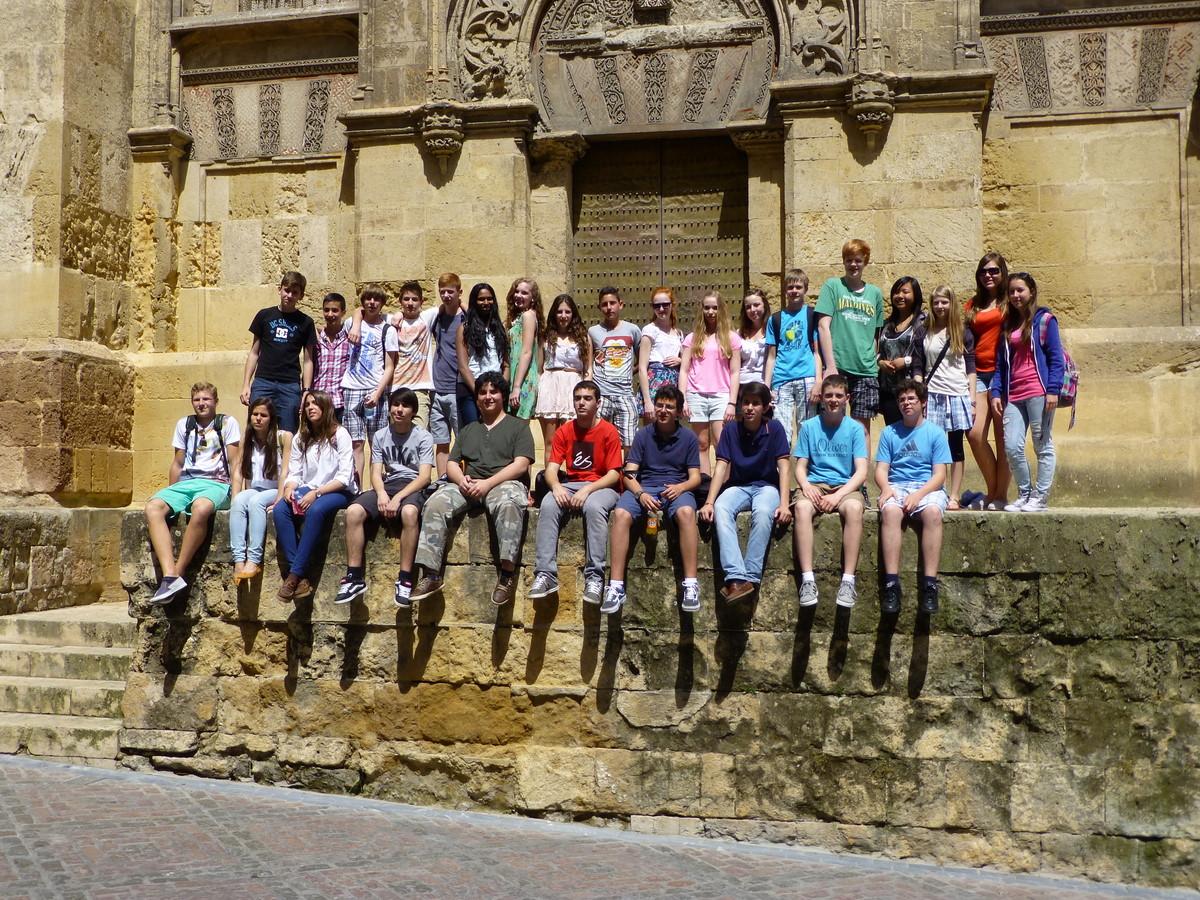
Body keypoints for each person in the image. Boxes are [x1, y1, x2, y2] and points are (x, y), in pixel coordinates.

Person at [410, 372, 534, 606]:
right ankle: (431, 575)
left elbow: (521, 464)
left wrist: (488, 483)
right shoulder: (468, 430)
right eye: (483, 392)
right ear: (477, 399)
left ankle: (507, 575)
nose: (488, 397)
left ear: (503, 396)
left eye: (493, 392)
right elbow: (452, 463)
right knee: (435, 503)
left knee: (510, 503)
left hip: (502, 483)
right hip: (468, 484)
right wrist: (461, 481)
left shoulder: (518, 427)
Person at [602, 385, 702, 615]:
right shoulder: (643, 434)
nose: (663, 410)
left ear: (678, 411)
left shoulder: (688, 437)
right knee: (621, 514)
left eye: (669, 407)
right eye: (659, 405)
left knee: (687, 513)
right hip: (645, 487)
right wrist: (641, 494)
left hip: (677, 488)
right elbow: (629, 474)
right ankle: (615, 586)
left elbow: (696, 477)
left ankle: (690, 585)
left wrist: (681, 487)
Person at [335, 389, 435, 607]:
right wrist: (380, 493)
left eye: (405, 406)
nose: (399, 410)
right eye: (395, 405)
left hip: (412, 486)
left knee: (409, 512)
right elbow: (375, 472)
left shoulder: (424, 437)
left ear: (413, 411)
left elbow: (425, 477)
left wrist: (397, 498)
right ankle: (354, 577)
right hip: (387, 484)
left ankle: (405, 579)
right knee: (353, 511)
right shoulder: (381, 435)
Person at [144, 382, 241, 604]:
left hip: (216, 483)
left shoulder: (227, 423)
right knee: (153, 507)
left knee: (201, 508)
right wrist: (170, 492)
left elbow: (235, 462)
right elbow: (177, 463)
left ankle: (177, 573)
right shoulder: (184, 424)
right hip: (187, 483)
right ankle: (169, 574)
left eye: (206, 399)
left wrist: (236, 496)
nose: (201, 404)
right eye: (197, 400)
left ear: (216, 401)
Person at [528, 380, 622, 606]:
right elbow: (551, 469)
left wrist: (588, 489)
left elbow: (614, 474)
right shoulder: (564, 431)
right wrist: (556, 486)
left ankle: (595, 578)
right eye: (578, 398)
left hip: (603, 486)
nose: (581, 403)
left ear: (598, 403)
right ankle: (546, 574)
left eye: (587, 398)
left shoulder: (609, 431)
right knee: (549, 503)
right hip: (572, 484)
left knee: (594, 506)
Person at [699, 381, 791, 601]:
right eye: (746, 402)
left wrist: (785, 504)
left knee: (763, 512)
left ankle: (749, 577)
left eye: (755, 403)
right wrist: (709, 502)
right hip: (738, 487)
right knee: (721, 508)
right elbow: (721, 467)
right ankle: (735, 577)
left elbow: (785, 467)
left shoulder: (775, 428)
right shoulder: (731, 429)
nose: (749, 408)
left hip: (767, 487)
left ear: (765, 407)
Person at [875, 380, 952, 615]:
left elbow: (940, 475)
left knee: (932, 513)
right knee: (890, 512)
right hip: (897, 485)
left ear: (923, 402)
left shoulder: (936, 433)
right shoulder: (889, 432)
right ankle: (891, 584)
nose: (906, 403)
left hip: (927, 487)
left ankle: (930, 586)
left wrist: (918, 495)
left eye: (911, 399)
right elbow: (881, 470)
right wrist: (885, 489)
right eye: (902, 400)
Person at [990, 272, 1064, 512]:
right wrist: (996, 392)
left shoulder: (1045, 321)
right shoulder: (1007, 325)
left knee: (1042, 446)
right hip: (1014, 395)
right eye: (1011, 291)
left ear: (1031, 292)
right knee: (1011, 447)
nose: (1015, 295)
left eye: (1020, 290)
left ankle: (1040, 497)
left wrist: (1053, 390)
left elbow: (1056, 358)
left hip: (1039, 392)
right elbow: (1000, 364)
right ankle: (1024, 494)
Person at [792, 374, 868, 609]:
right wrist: (805, 486)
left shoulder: (855, 429)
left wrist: (837, 496)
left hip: (845, 486)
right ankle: (807, 580)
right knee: (802, 507)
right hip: (815, 484)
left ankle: (848, 581)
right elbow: (800, 466)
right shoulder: (809, 426)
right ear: (822, 399)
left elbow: (861, 471)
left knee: (854, 508)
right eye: (829, 396)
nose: (833, 400)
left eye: (838, 395)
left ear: (847, 398)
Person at [272, 390, 356, 601]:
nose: (310, 407)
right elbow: (295, 473)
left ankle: (293, 575)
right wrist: (289, 487)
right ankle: (299, 578)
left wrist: (316, 493)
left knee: (316, 510)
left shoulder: (340, 435)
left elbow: (344, 477)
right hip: (309, 488)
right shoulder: (301, 437)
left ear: (325, 407)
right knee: (281, 508)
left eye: (315, 403)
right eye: (307, 404)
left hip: (338, 491)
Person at [816, 240, 885, 441]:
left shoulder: (875, 293)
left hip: (865, 370)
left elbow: (875, 334)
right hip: (838, 367)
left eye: (858, 260)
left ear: (865, 262)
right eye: (849, 260)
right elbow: (823, 326)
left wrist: (872, 359)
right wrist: (830, 366)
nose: (853, 265)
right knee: (832, 427)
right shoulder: (833, 286)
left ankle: (861, 463)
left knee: (861, 431)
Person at [239, 270, 316, 433]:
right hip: (263, 381)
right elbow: (254, 352)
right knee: (257, 431)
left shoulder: (306, 322)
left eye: (295, 292)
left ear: (301, 296)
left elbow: (308, 360)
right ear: (279, 289)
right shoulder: (264, 316)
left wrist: (306, 390)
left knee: (288, 433)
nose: (289, 295)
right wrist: (246, 384)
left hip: (290, 385)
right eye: (287, 290)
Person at [922, 285, 976, 510]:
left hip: (957, 393)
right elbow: (918, 366)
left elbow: (971, 367)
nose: (940, 306)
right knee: (934, 446)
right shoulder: (925, 331)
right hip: (933, 393)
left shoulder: (962, 332)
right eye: (936, 302)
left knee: (955, 446)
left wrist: (972, 400)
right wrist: (921, 396)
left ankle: (954, 496)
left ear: (951, 303)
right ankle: (937, 491)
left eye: (944, 302)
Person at [678, 290, 742, 475]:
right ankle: (704, 483)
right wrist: (683, 399)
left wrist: (732, 402)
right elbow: (684, 370)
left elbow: (735, 372)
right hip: (695, 394)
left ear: (721, 309)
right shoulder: (691, 338)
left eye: (715, 307)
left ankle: (724, 485)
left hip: (721, 395)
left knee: (721, 443)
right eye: (707, 308)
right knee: (701, 443)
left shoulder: (731, 338)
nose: (711, 312)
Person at [966, 252, 1011, 510]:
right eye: (983, 271)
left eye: (993, 270)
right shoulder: (973, 305)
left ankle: (1000, 496)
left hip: (1002, 373)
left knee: (1003, 437)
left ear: (1002, 272)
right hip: (977, 374)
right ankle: (993, 492)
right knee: (974, 434)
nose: (988, 275)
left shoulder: (1009, 302)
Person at [229, 397, 292, 585]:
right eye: (255, 414)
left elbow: (286, 471)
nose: (258, 418)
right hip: (255, 488)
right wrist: (235, 495)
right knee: (239, 501)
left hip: (275, 489)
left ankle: (254, 559)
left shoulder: (283, 437)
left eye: (263, 415)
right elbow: (238, 471)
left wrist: (279, 499)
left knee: (256, 503)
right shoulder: (247, 439)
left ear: (271, 418)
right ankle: (239, 560)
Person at [341, 284, 399, 483]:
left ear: (382, 303)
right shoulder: (352, 323)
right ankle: (356, 487)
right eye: (368, 299)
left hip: (376, 388)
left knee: (377, 443)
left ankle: (377, 487)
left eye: (376, 299)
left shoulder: (388, 330)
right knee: (355, 443)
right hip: (352, 387)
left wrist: (378, 393)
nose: (372, 303)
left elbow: (390, 366)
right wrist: (357, 323)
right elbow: (355, 313)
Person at [763, 268, 822, 447]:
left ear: (805, 289)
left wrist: (818, 381)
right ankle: (782, 465)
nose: (794, 291)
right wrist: (766, 385)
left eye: (798, 287)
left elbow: (817, 352)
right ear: (785, 290)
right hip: (782, 379)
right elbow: (771, 357)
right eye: (790, 287)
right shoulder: (776, 319)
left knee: (806, 429)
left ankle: (805, 465)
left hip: (806, 377)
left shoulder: (812, 315)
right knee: (781, 432)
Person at [536, 294, 592, 453]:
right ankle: (549, 470)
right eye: (559, 311)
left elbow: (588, 369)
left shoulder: (583, 337)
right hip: (550, 386)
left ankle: (570, 470)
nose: (563, 316)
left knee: (571, 439)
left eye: (567, 312)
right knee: (550, 441)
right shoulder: (545, 337)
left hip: (573, 386)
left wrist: (586, 391)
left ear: (573, 313)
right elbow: (539, 369)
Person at [589, 287, 642, 450]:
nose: (609, 307)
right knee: (599, 443)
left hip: (625, 394)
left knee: (629, 443)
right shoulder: (593, 332)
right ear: (599, 307)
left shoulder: (633, 330)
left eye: (612, 303)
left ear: (621, 304)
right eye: (604, 304)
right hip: (602, 395)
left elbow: (642, 361)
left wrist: (629, 372)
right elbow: (589, 363)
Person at [456, 283, 510, 425]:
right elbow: (463, 366)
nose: (486, 302)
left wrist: (501, 389)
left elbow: (506, 364)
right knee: (473, 430)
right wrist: (480, 393)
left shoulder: (500, 329)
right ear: (474, 301)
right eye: (481, 299)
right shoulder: (464, 329)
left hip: (495, 389)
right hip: (470, 389)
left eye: (489, 298)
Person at [429, 273, 467, 477]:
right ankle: (442, 481)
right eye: (442, 292)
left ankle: (460, 480)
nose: (446, 296)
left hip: (457, 388)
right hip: (437, 388)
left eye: (450, 292)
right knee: (441, 441)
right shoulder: (437, 316)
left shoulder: (466, 318)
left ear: (459, 292)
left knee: (462, 441)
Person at [387, 281, 438, 430]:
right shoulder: (391, 321)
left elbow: (452, 302)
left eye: (415, 299)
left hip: (420, 388)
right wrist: (398, 314)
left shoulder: (426, 318)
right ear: (400, 301)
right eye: (406, 299)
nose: (410, 303)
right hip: (396, 386)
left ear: (421, 302)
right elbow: (361, 312)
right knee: (397, 433)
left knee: (420, 431)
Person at [877, 276, 927, 425]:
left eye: (905, 292)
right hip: (889, 391)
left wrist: (906, 361)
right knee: (895, 432)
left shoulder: (924, 321)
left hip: (913, 391)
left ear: (915, 295)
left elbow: (929, 353)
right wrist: (881, 363)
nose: (900, 296)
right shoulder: (886, 324)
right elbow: (877, 351)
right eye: (896, 292)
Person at [637, 286, 684, 421]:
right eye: (657, 306)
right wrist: (647, 401)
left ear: (672, 305)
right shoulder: (650, 330)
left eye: (665, 305)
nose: (661, 309)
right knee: (652, 426)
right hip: (654, 383)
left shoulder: (678, 333)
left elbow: (687, 362)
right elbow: (642, 367)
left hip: (673, 383)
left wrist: (679, 361)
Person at [506, 278, 543, 420]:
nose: (519, 295)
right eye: (517, 291)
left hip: (523, 379)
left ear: (533, 297)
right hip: (515, 377)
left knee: (520, 428)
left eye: (524, 293)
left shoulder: (528, 316)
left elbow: (527, 351)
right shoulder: (517, 317)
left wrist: (516, 387)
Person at [312, 292, 350, 422]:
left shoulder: (349, 339)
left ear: (343, 312)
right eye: (326, 310)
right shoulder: (317, 339)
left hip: (340, 403)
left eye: (335, 310)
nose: (330, 314)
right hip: (318, 402)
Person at [737, 289, 770, 387]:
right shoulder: (739, 333)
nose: (752, 310)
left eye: (756, 305)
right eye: (748, 307)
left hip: (763, 384)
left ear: (764, 305)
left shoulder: (772, 331)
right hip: (742, 384)